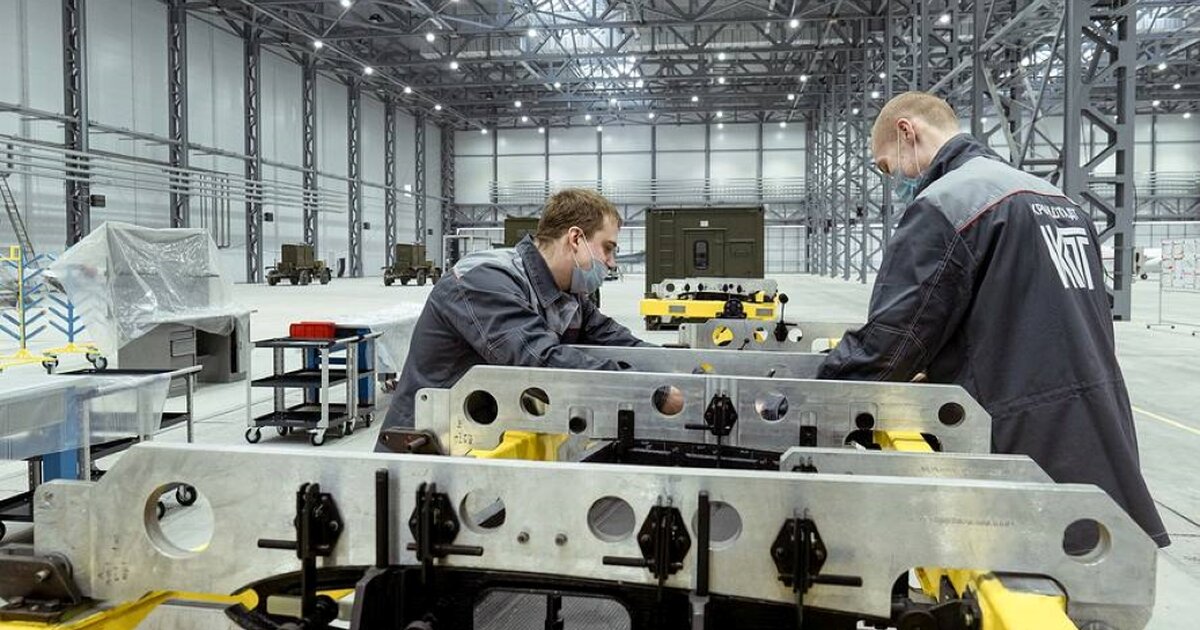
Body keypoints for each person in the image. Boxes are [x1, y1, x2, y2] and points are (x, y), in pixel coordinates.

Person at [817, 91, 1169, 550]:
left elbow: (891, 344)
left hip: (1020, 447)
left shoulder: (948, 202)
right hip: (1100, 437)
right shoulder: (1056, 200)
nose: (896, 181)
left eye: (888, 167)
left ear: (906, 132)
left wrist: (815, 393)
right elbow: (1022, 312)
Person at [377, 188, 679, 447]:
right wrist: (651, 392)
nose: (611, 263)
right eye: (607, 249)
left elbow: (617, 341)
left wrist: (680, 371)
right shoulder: (483, 280)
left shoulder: (568, 295)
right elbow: (540, 362)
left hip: (488, 441)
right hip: (426, 447)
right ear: (576, 239)